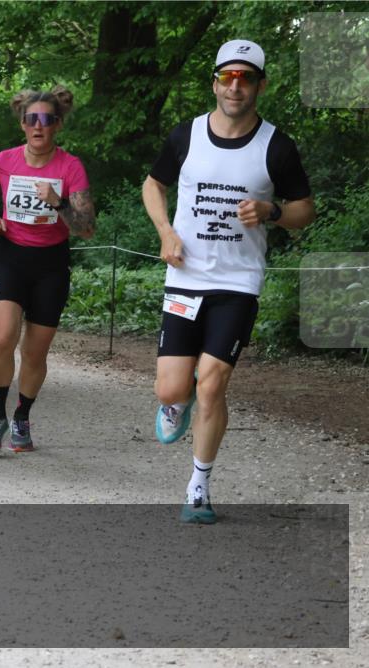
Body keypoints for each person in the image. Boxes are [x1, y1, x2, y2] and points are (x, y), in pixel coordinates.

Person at [142, 40, 315, 524]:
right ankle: (174, 404)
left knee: (213, 385)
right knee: (172, 389)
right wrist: (165, 231)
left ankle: (199, 486)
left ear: (260, 84)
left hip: (239, 282)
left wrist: (273, 210)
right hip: (184, 277)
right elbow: (153, 184)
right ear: (215, 81)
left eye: (246, 77)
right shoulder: (187, 135)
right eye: (227, 76)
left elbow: (305, 209)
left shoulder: (277, 146)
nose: (235, 86)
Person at [0, 87, 95, 455]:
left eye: (47, 120)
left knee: (34, 353)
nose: (39, 126)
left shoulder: (70, 166)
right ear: (22, 124)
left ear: (57, 125)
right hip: (10, 256)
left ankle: (22, 416)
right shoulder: (3, 160)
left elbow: (86, 227)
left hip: (50, 264)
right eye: (32, 119)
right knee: (2, 337)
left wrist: (58, 203)